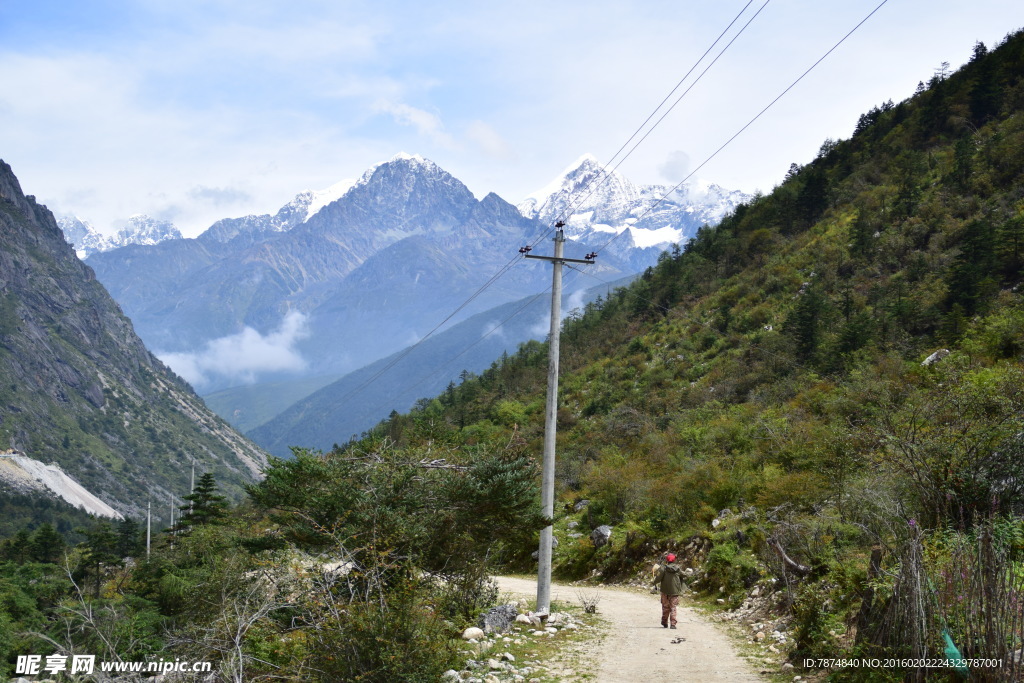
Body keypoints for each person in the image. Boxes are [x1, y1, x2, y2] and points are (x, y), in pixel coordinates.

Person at [653, 553, 684, 628]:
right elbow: (683, 575)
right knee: (673, 607)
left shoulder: (663, 568)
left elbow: (658, 578)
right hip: (675, 591)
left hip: (665, 591)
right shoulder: (677, 568)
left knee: (665, 607)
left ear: (667, 560)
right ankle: (673, 624)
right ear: (674, 560)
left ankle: (664, 622)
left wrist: (654, 582)